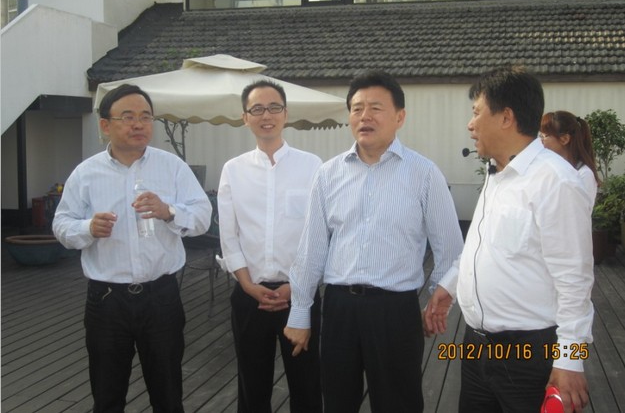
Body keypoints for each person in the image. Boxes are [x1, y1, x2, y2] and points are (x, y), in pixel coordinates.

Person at [284, 70, 464, 413]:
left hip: (395, 311)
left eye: (376, 108)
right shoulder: (328, 174)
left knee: (399, 404)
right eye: (357, 108)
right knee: (337, 403)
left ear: (400, 117)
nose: (364, 116)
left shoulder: (424, 173)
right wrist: (300, 311)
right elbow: (312, 249)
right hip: (339, 309)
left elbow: (451, 248)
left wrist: (437, 298)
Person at [425, 65, 594, 413]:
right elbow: (483, 244)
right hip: (475, 347)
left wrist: (570, 360)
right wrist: (450, 284)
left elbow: (574, 278)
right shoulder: (498, 173)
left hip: (531, 354)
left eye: (476, 112)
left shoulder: (555, 181)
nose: (470, 124)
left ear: (506, 117)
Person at [53, 84, 212, 413]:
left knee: (168, 396)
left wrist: (168, 211)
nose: (139, 124)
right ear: (105, 125)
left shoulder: (172, 167)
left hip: (162, 297)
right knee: (107, 397)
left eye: (145, 117)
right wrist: (87, 228)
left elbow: (202, 217)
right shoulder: (86, 173)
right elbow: (61, 224)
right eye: (128, 117)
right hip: (107, 300)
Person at [218, 80, 323, 413]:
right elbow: (229, 235)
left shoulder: (312, 166)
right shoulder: (233, 170)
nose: (267, 115)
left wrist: (297, 286)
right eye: (257, 109)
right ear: (245, 117)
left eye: (274, 107)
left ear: (286, 114)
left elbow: (319, 234)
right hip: (251, 296)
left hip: (300, 295)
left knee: (307, 383)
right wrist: (248, 285)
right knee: (252, 385)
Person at [540, 110, 600, 205]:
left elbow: (578, 211)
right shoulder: (550, 168)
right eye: (540, 136)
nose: (541, 141)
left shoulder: (584, 174)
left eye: (545, 136)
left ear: (564, 139)